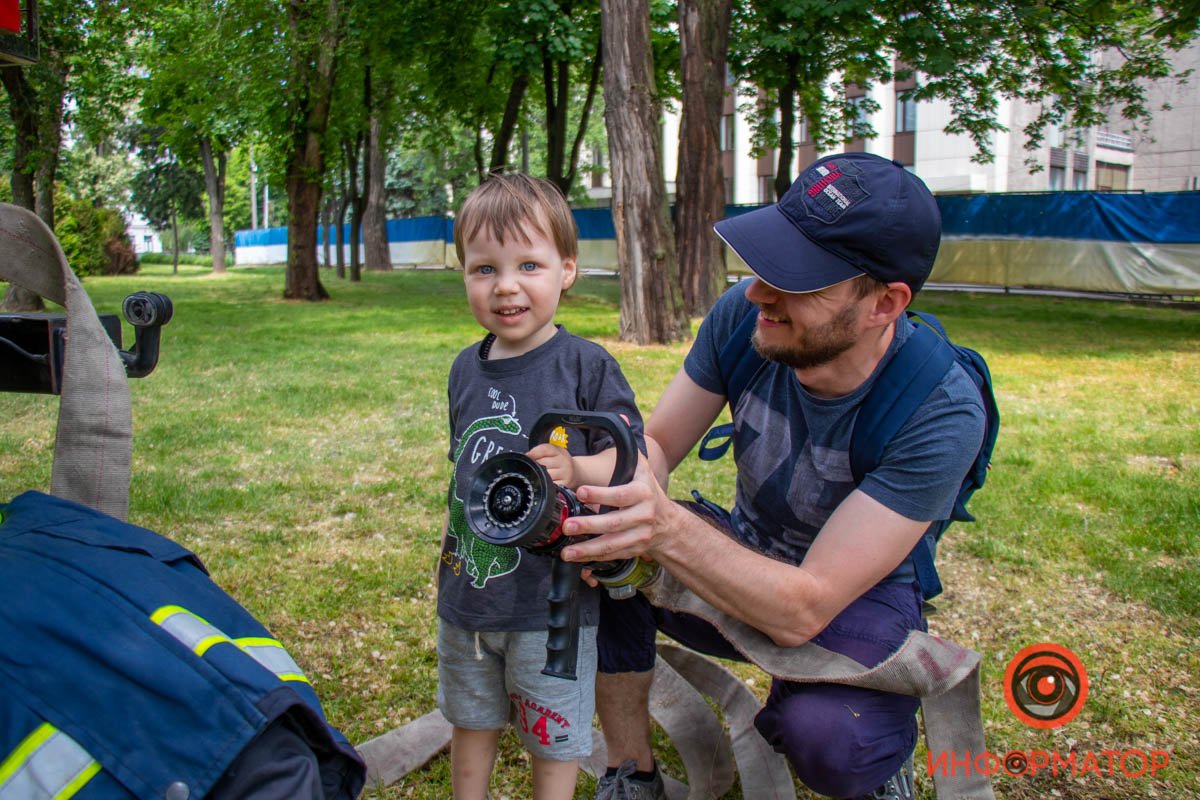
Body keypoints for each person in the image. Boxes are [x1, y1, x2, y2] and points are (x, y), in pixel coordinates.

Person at [557, 153, 987, 800]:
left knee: (830, 737)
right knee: (591, 547)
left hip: (850, 598)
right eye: (766, 262)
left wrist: (663, 526)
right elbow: (659, 445)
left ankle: (869, 746)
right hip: (743, 547)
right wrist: (592, 486)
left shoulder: (940, 407)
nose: (758, 292)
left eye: (798, 279)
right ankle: (631, 770)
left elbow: (806, 605)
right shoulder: (746, 317)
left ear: (885, 303)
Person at [437, 172, 646, 800]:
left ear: (568, 270)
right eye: (484, 268)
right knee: (470, 721)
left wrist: (577, 471)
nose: (506, 286)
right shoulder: (462, 370)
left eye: (529, 264)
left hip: (552, 605)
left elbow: (629, 457)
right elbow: (462, 478)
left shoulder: (585, 364)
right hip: (470, 598)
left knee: (552, 736)